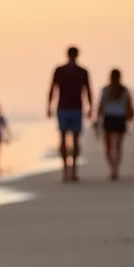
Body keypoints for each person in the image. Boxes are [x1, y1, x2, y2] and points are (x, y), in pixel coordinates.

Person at [47, 46, 92, 182]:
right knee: (76, 140)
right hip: (76, 108)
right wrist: (90, 107)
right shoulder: (82, 71)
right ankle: (73, 171)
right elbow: (88, 90)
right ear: (77, 55)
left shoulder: (60, 70)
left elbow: (53, 89)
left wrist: (49, 106)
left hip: (63, 108)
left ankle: (65, 170)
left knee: (62, 139)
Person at [94, 68, 134, 181]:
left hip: (109, 118)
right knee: (118, 146)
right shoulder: (124, 90)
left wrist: (97, 119)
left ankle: (112, 169)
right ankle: (116, 169)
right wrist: (130, 115)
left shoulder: (106, 90)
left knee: (108, 146)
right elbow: (129, 105)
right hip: (120, 119)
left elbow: (100, 105)